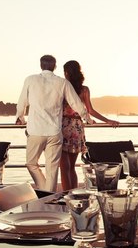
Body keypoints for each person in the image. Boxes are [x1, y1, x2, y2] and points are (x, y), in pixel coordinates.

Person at [15, 54, 89, 192]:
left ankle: (45, 192)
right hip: (55, 132)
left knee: (31, 164)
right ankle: (48, 194)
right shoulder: (62, 82)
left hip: (35, 131)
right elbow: (76, 103)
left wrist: (20, 117)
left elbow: (22, 102)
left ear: (40, 65)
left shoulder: (30, 79)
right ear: (54, 67)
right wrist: (86, 118)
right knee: (52, 169)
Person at [60, 60, 119, 191]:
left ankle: (67, 195)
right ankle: (72, 193)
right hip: (77, 127)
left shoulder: (63, 87)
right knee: (71, 167)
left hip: (63, 126)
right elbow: (90, 110)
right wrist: (108, 120)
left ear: (67, 72)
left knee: (64, 167)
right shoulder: (84, 89)